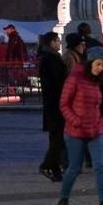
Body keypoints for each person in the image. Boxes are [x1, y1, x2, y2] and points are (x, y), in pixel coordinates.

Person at [58, 46, 103, 205]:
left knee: (100, 166)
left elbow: (96, 106)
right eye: (99, 64)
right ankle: (63, 198)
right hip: (76, 131)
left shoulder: (97, 81)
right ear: (90, 62)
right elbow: (64, 104)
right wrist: (76, 121)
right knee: (74, 168)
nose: (101, 68)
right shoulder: (75, 78)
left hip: (96, 130)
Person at [37, 32, 67, 181]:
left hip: (54, 103)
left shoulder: (52, 57)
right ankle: (47, 164)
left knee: (56, 137)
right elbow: (56, 82)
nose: (59, 43)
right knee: (57, 139)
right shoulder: (50, 59)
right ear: (51, 42)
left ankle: (55, 169)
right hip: (55, 104)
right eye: (57, 41)